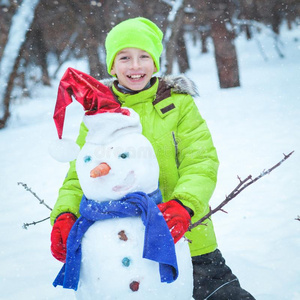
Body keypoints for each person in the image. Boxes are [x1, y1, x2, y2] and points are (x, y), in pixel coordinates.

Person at [50, 17, 255, 299]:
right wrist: (64, 213)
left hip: (185, 233)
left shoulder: (179, 105)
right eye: (124, 57)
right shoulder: (98, 116)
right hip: (120, 245)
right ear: (112, 65)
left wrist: (185, 205)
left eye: (144, 56)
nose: (135, 66)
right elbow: (81, 175)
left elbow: (201, 161)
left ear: (155, 63)